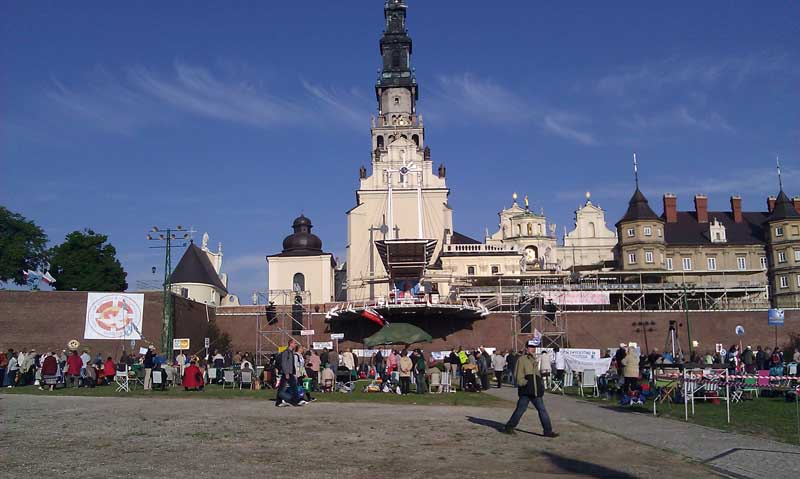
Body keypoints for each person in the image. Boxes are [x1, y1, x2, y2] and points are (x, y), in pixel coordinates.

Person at [502, 340, 558, 438]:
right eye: (531, 347)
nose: (533, 349)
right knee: (521, 410)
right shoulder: (522, 359)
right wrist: (525, 383)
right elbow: (518, 375)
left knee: (541, 410)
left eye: (534, 347)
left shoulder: (534, 360)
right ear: (526, 348)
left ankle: (547, 431)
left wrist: (540, 385)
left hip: (535, 391)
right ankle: (509, 427)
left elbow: (537, 375)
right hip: (526, 391)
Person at [276, 339, 306, 407]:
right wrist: (286, 373)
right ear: (291, 344)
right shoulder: (286, 352)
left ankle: (279, 402)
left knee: (282, 388)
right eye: (294, 343)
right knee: (294, 387)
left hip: (290, 372)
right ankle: (295, 401)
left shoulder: (291, 352)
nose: (295, 345)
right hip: (287, 373)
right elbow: (284, 363)